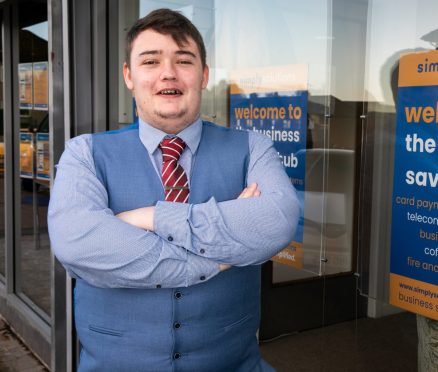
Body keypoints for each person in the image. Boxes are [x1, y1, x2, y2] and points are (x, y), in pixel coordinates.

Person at [48, 8, 299, 372]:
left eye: (184, 60)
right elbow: (78, 244)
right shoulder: (84, 153)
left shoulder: (252, 148)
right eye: (150, 61)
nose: (168, 72)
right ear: (128, 76)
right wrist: (218, 258)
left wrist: (149, 217)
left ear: (204, 75)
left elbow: (276, 223)